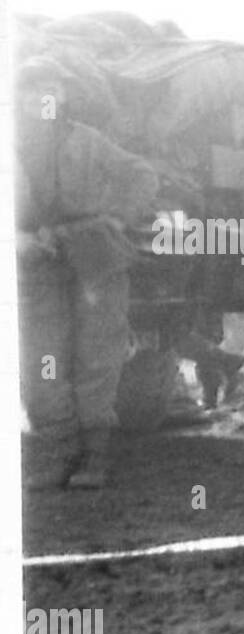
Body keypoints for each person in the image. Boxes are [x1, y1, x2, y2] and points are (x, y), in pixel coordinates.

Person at [16, 60, 160, 489]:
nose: (41, 97)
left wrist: (117, 217)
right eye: (30, 90)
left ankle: (94, 456)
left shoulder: (88, 141)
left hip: (95, 258)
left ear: (61, 96)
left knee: (96, 356)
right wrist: (16, 238)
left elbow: (142, 175)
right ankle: (59, 452)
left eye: (49, 89)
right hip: (38, 263)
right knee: (42, 362)